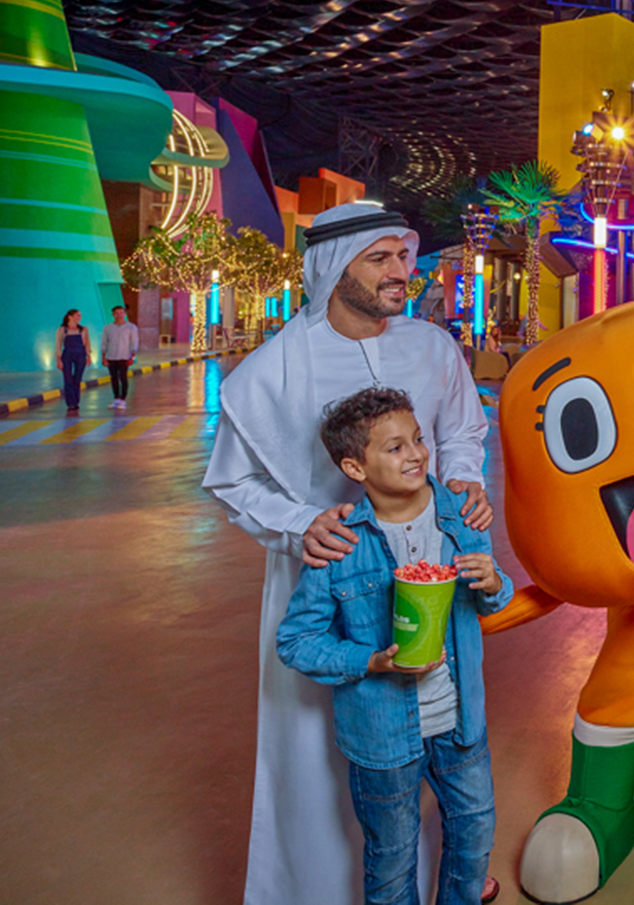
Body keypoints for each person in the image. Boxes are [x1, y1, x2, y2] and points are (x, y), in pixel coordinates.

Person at [203, 202, 494, 905]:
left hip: (425, 567)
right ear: (334, 270)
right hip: (326, 573)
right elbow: (231, 480)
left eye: (404, 257)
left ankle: (442, 879)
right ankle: (321, 889)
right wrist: (303, 524)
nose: (404, 273)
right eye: (383, 259)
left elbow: (461, 429)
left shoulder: (431, 346)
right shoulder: (272, 370)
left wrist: (464, 477)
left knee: (441, 725)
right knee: (319, 752)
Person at [278, 387, 512, 905]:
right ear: (354, 467)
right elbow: (296, 641)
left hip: (461, 725)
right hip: (382, 740)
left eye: (418, 440)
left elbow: (494, 602)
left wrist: (494, 585)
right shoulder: (340, 542)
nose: (416, 455)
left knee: (473, 839)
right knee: (391, 859)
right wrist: (369, 660)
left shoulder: (462, 516)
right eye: (395, 447)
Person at [101, 305, 139, 408]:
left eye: (121, 313)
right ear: (113, 315)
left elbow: (134, 342)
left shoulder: (131, 327)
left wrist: (132, 356)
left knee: (123, 378)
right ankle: (116, 398)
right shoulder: (107, 328)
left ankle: (123, 399)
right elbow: (104, 342)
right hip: (111, 356)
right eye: (117, 313)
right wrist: (104, 356)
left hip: (124, 356)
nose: (119, 315)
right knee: (113, 378)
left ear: (125, 314)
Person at [55, 308, 90, 413]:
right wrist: (58, 359)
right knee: (68, 378)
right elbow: (58, 345)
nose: (80, 317)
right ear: (70, 317)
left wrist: (88, 356)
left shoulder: (83, 329)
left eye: (80, 315)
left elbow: (87, 343)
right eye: (77, 315)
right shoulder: (62, 329)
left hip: (80, 354)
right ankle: (71, 403)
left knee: (77, 378)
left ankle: (76, 400)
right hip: (67, 355)